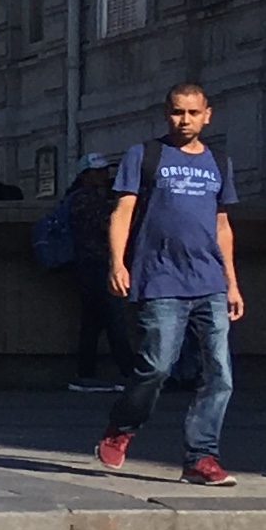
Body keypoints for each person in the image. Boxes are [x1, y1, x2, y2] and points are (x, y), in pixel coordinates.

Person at [95, 79, 241, 486]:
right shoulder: (145, 155)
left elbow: (222, 225)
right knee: (157, 366)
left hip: (209, 281)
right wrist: (117, 263)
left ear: (207, 116)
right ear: (166, 113)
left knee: (219, 374)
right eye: (178, 112)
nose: (185, 120)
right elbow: (122, 212)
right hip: (160, 278)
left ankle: (201, 456)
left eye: (193, 113)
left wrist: (231, 281)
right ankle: (123, 426)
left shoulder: (219, 162)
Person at [64, 154, 125, 388]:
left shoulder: (78, 197)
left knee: (92, 322)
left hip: (86, 265)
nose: (104, 175)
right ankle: (127, 371)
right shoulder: (87, 199)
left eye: (105, 171)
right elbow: (108, 226)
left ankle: (86, 374)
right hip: (96, 265)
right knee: (113, 319)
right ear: (85, 175)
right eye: (98, 171)